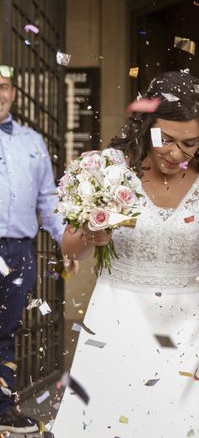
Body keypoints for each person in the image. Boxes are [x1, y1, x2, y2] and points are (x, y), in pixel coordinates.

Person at [52, 71, 199, 437]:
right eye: (165, 138)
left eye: (189, 143)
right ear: (146, 125)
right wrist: (92, 233)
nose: (175, 153)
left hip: (191, 326)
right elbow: (69, 248)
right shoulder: (110, 167)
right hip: (116, 318)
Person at [0, 66, 72, 434]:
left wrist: (66, 242)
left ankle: (4, 408)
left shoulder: (31, 141)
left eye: (4, 87)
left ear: (13, 91)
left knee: (7, 330)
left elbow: (47, 199)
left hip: (18, 251)